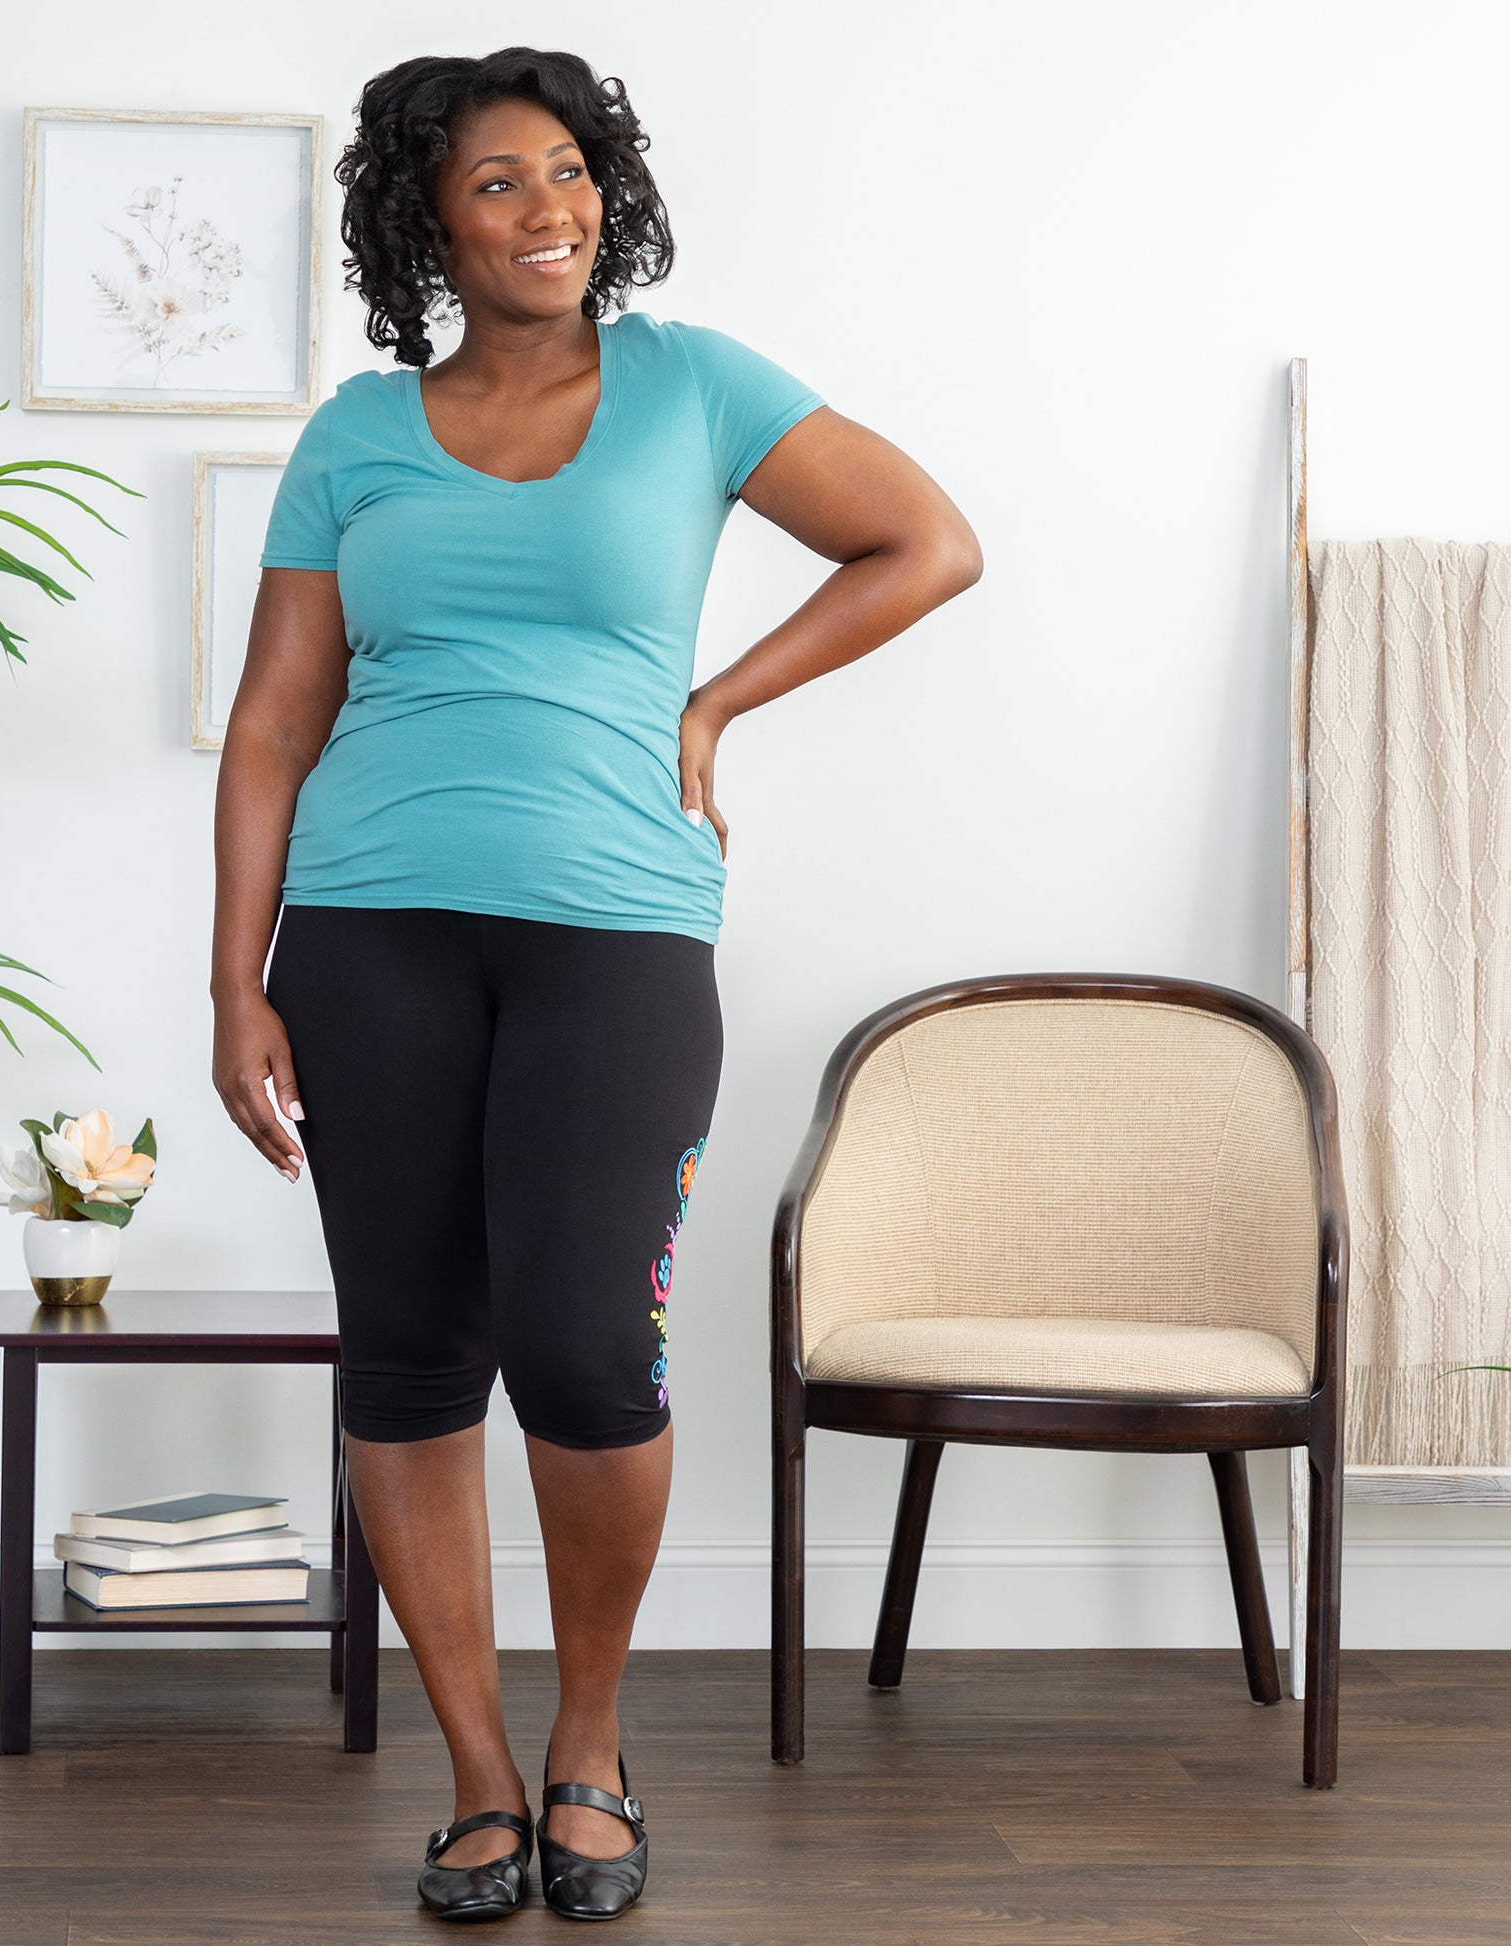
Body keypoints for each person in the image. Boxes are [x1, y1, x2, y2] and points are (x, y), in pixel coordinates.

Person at [211, 46, 981, 1923]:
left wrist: (716, 699)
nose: (545, 207)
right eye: (495, 182)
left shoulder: (692, 385)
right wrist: (236, 981)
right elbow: (272, 721)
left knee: (585, 1348)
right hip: (371, 926)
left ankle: (590, 1742)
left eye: (567, 172)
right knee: (406, 1356)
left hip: (619, 929)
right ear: (426, 218)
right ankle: (477, 1773)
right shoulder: (354, 435)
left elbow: (927, 541)